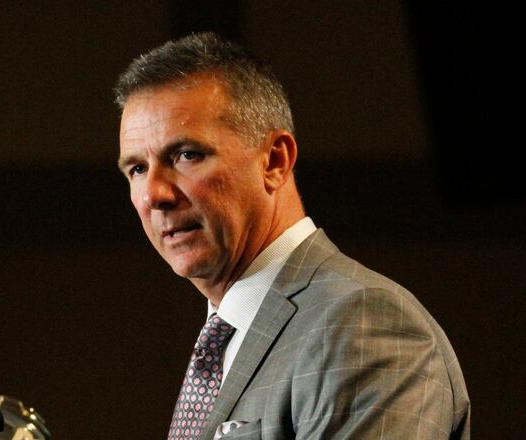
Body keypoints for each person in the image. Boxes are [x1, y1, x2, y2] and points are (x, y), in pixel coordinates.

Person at [113, 32, 470, 439]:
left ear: (275, 161)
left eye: (187, 155)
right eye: (137, 169)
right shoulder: (225, 339)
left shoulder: (363, 322)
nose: (153, 194)